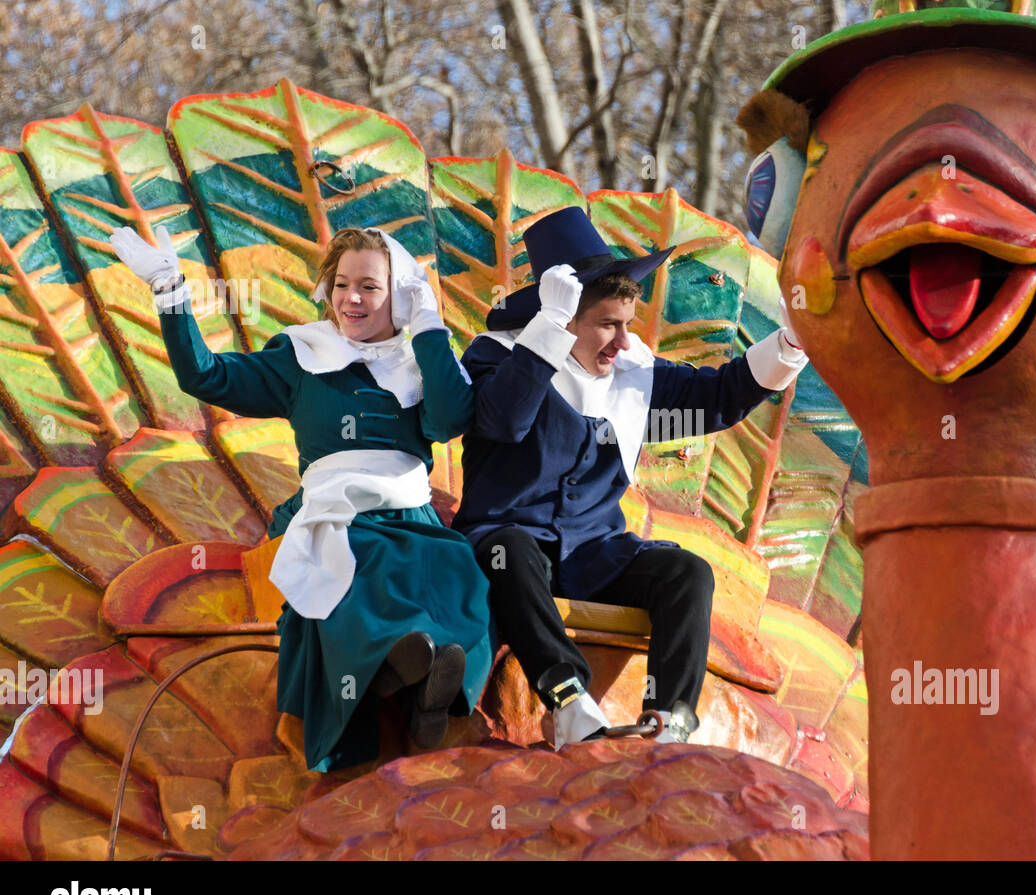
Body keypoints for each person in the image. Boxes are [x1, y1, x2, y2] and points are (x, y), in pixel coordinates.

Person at [108, 223, 493, 773]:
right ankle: (397, 670)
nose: (351, 298)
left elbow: (452, 418)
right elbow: (205, 375)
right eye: (341, 284)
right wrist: (171, 290)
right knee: (361, 557)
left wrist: (428, 324)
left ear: (401, 293)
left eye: (370, 286)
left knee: (460, 568)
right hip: (336, 512)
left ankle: (428, 684)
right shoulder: (303, 355)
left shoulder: (419, 365)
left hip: (413, 513)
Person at [452, 206, 807, 748]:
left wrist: (791, 342)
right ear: (565, 316)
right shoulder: (495, 357)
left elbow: (714, 399)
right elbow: (505, 419)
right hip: (505, 549)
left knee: (686, 572)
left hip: (594, 554)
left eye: (627, 325)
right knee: (512, 552)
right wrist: (546, 333)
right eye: (608, 325)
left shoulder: (634, 370)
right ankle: (568, 698)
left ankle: (669, 720)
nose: (622, 342)